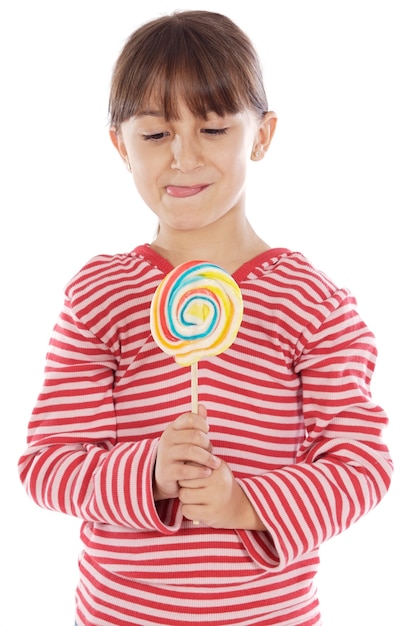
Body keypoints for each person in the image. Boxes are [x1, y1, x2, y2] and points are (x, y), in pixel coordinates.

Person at [18, 10, 393, 626]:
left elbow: (360, 464)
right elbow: (48, 464)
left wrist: (244, 502)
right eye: (156, 134)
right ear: (120, 144)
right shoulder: (102, 295)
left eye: (214, 128)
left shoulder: (313, 304)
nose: (184, 158)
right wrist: (152, 473)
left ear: (262, 136)